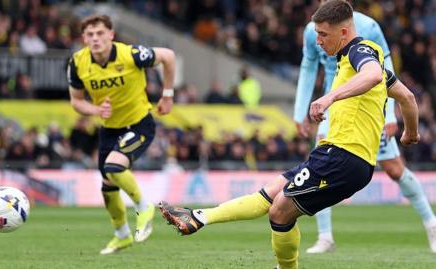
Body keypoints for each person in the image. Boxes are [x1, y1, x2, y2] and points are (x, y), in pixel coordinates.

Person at [159, 1, 420, 268]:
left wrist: (329, 97)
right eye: (316, 33)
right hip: (335, 155)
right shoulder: (351, 61)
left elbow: (373, 74)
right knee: (271, 192)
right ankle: (200, 217)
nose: (317, 41)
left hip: (344, 157)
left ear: (343, 32)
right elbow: (408, 97)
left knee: (280, 211)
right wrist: (410, 133)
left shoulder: (360, 51)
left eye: (323, 34)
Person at [294, 0, 436, 254]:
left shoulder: (368, 26)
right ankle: (325, 237)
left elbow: (385, 67)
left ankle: (432, 224)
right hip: (333, 108)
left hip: (369, 108)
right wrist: (300, 111)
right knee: (319, 168)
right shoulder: (312, 30)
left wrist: (391, 116)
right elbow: (308, 66)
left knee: (394, 169)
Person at [67, 14, 176, 254]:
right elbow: (76, 102)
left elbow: (168, 56)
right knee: (107, 185)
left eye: (100, 33)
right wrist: (95, 110)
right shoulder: (77, 63)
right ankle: (122, 235)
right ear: (84, 38)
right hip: (109, 129)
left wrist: (167, 95)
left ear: (111, 35)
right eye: (90, 34)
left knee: (114, 167)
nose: (95, 39)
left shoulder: (131, 55)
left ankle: (143, 207)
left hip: (139, 124)